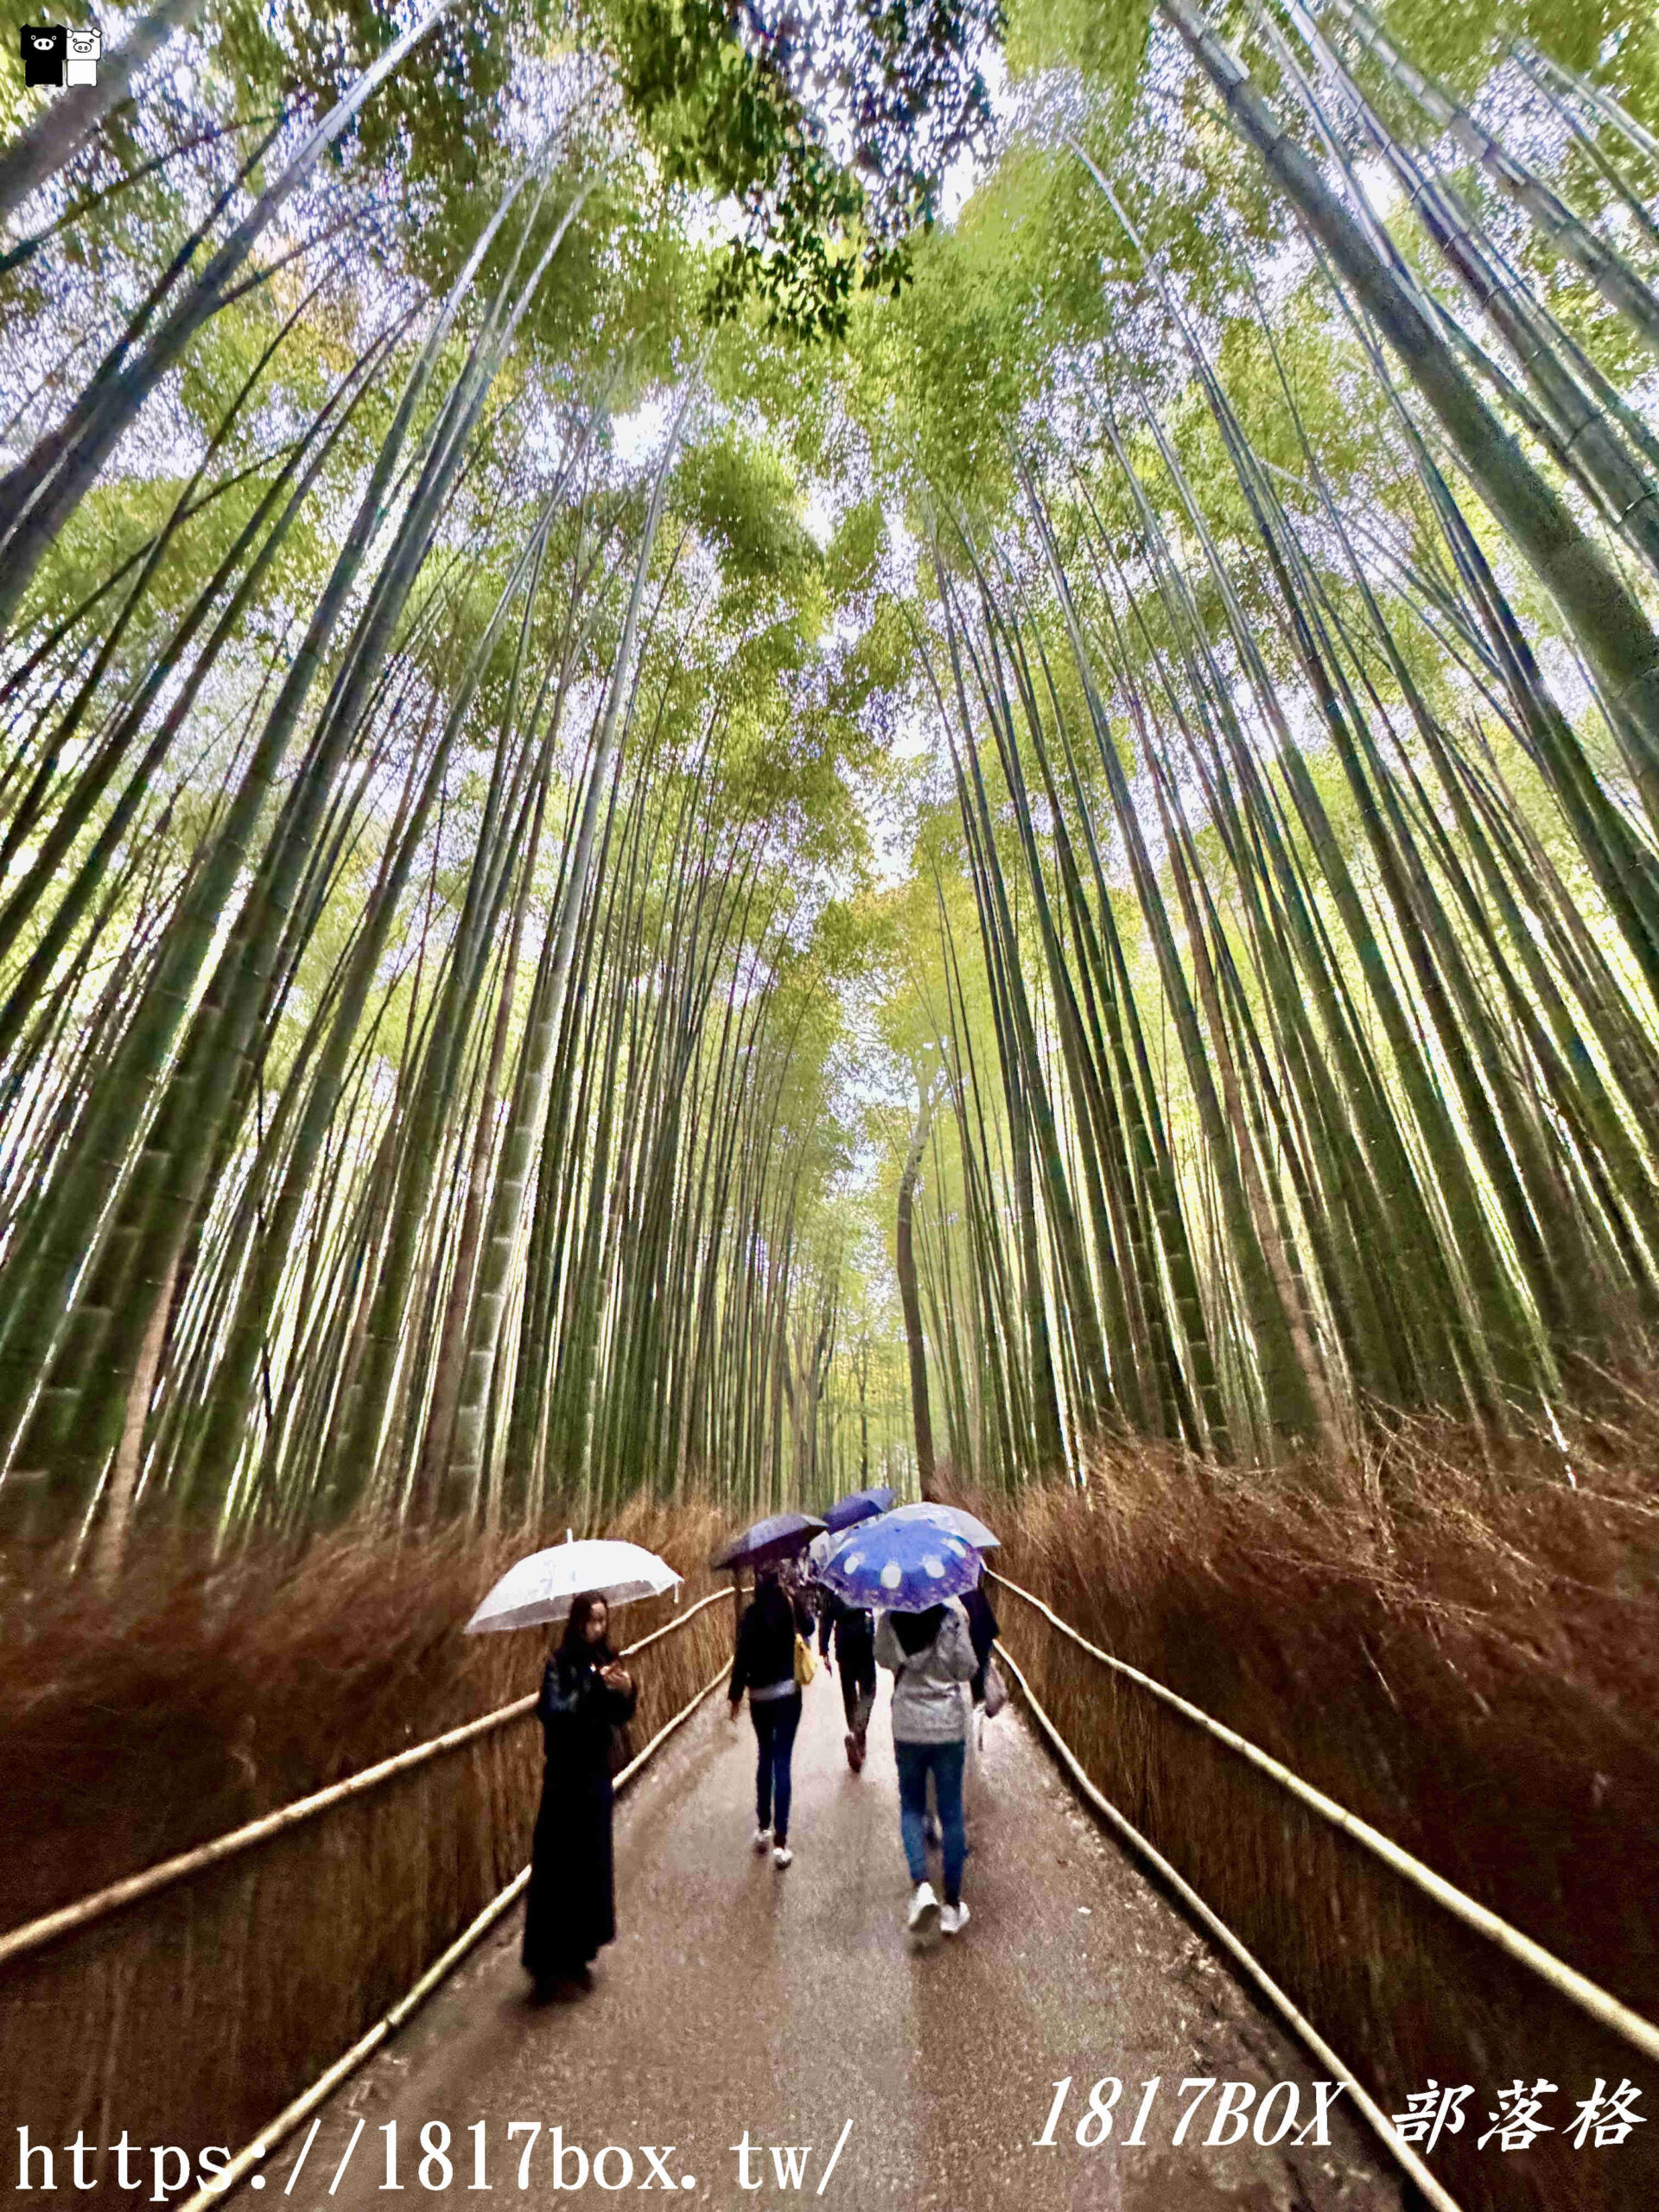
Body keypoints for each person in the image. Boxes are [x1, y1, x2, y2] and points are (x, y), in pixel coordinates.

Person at [522, 1592, 637, 1999]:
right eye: (591, 1621)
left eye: (603, 1620)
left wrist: (626, 1691)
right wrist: (590, 1684)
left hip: (595, 1775)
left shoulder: (607, 1658)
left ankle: (582, 1953)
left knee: (591, 1865)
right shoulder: (559, 1663)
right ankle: (554, 1962)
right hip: (564, 1780)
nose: (598, 1628)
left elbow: (618, 1716)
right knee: (561, 1868)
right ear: (577, 1622)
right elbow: (553, 1711)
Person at [874, 1597, 976, 1939]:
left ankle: (921, 1888)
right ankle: (951, 1907)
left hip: (907, 1726)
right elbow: (967, 1667)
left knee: (911, 1807)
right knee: (951, 1815)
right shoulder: (951, 1619)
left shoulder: (891, 1617)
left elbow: (882, 1657)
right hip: (947, 1725)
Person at [728, 1563, 811, 1867]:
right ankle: (781, 1843)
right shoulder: (789, 1602)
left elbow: (741, 1657)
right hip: (788, 1693)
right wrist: (795, 1599)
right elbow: (810, 1627)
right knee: (782, 1760)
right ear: (779, 1578)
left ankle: (763, 1828)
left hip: (759, 1697)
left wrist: (735, 1696)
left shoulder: (748, 1615)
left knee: (765, 1756)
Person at [817, 1586, 876, 1770]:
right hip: (864, 1644)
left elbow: (826, 1618)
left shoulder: (833, 1585)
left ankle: (855, 1733)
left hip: (844, 1646)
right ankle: (859, 1734)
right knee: (868, 1691)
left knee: (849, 1695)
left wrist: (824, 1648)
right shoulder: (863, 1579)